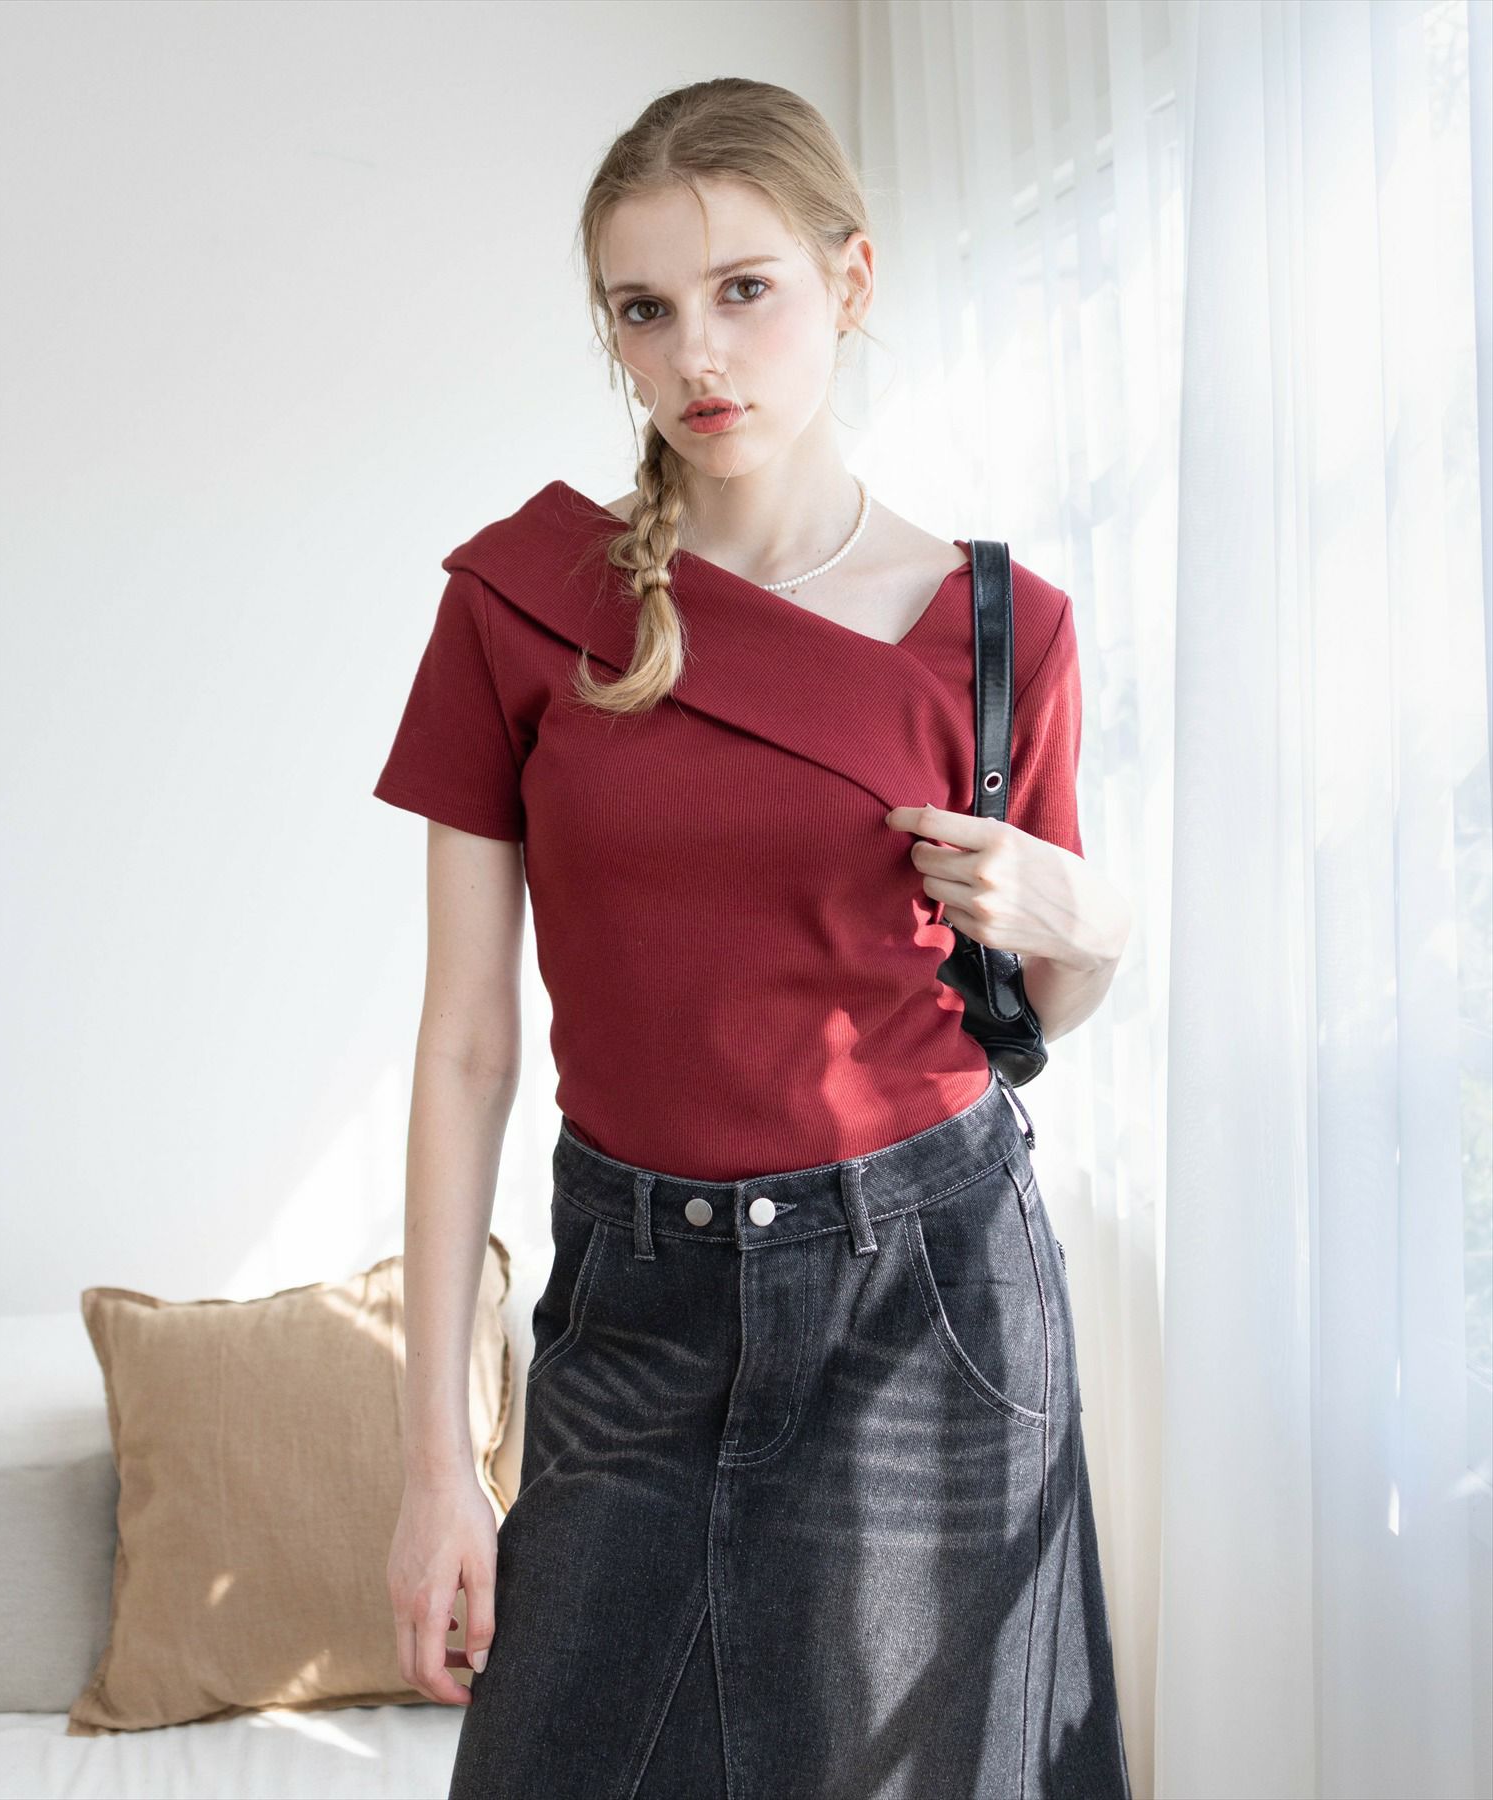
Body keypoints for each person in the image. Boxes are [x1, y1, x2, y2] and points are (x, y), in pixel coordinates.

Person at [375, 75, 1132, 1800]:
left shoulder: (1006, 635)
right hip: (632, 1303)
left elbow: (1025, 1015)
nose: (698, 355)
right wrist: (435, 1464)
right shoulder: (519, 603)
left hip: (931, 1296)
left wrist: (1098, 923)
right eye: (645, 310)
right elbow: (467, 1046)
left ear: (849, 280)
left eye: (744, 290)